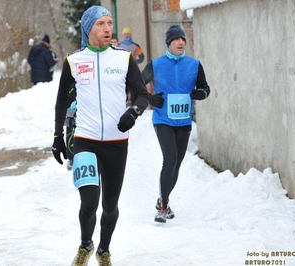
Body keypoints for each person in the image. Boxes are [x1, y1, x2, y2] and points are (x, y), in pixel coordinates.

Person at [52, 5, 148, 266]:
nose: (108, 29)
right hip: (85, 140)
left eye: (109, 23)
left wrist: (134, 112)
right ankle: (86, 244)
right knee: (89, 202)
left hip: (117, 142)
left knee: (110, 207)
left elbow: (142, 94)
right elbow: (62, 100)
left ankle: (103, 250)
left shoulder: (123, 59)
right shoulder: (74, 61)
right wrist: (58, 136)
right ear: (88, 28)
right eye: (101, 24)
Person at [141, 25, 210, 223]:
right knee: (170, 159)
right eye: (176, 39)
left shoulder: (194, 65)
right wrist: (151, 98)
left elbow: (206, 88)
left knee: (177, 165)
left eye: (183, 39)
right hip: (163, 120)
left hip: (184, 122)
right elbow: (136, 85)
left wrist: (202, 93)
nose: (181, 42)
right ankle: (162, 207)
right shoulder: (155, 65)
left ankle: (164, 200)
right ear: (169, 43)